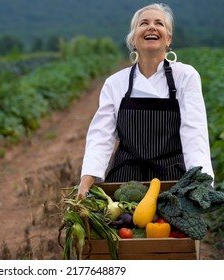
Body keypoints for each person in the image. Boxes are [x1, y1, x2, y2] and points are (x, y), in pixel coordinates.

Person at [77, 3, 214, 198]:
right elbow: (101, 136)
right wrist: (86, 181)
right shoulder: (115, 83)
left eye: (159, 23)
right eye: (144, 23)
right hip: (124, 182)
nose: (151, 27)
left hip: (173, 181)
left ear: (168, 38)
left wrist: (203, 181)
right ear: (133, 39)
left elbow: (194, 133)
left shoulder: (185, 76)